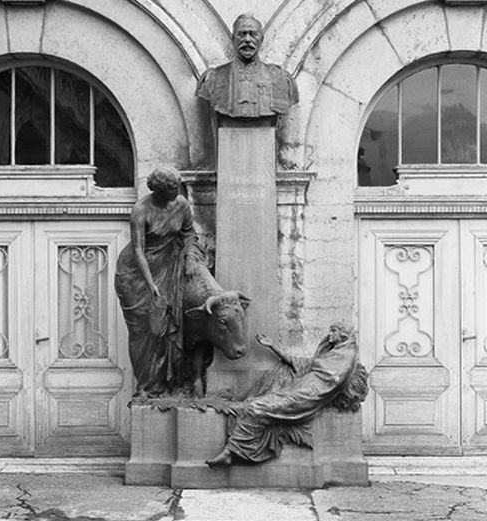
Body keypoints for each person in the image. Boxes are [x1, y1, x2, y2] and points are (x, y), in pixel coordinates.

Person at [206, 323, 367, 466]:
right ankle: (233, 450)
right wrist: (272, 346)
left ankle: (233, 451)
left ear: (343, 335)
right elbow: (300, 362)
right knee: (253, 405)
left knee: (256, 407)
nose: (328, 335)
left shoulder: (345, 358)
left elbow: (331, 377)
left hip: (309, 396)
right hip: (302, 389)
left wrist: (316, 364)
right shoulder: (334, 355)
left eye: (333, 331)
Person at [115, 165, 202, 395]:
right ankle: (146, 386)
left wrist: (192, 256)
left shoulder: (181, 205)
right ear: (159, 190)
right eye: (172, 187)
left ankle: (165, 384)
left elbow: (189, 234)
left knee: (165, 329)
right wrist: (151, 284)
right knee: (143, 331)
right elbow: (138, 250)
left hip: (168, 265)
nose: (177, 189)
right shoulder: (140, 210)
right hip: (135, 275)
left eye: (178, 184)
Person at [196, 13, 298, 119]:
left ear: (261, 39)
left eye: (253, 34)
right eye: (242, 34)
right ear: (233, 38)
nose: (247, 39)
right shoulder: (213, 78)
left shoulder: (279, 78)